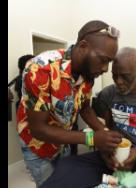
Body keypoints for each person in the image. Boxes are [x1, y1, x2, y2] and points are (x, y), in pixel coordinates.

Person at [40, 47, 136, 188]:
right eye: (115, 75)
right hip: (115, 153)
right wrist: (106, 151)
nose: (119, 81)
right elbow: (93, 116)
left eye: (125, 76)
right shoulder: (109, 93)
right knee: (68, 166)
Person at [16, 20, 122, 187]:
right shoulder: (40, 70)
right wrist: (92, 138)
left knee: (66, 181)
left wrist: (106, 134)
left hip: (63, 142)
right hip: (37, 146)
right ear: (83, 46)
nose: (105, 69)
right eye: (103, 60)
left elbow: (85, 109)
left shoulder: (88, 74)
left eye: (109, 62)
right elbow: (39, 129)